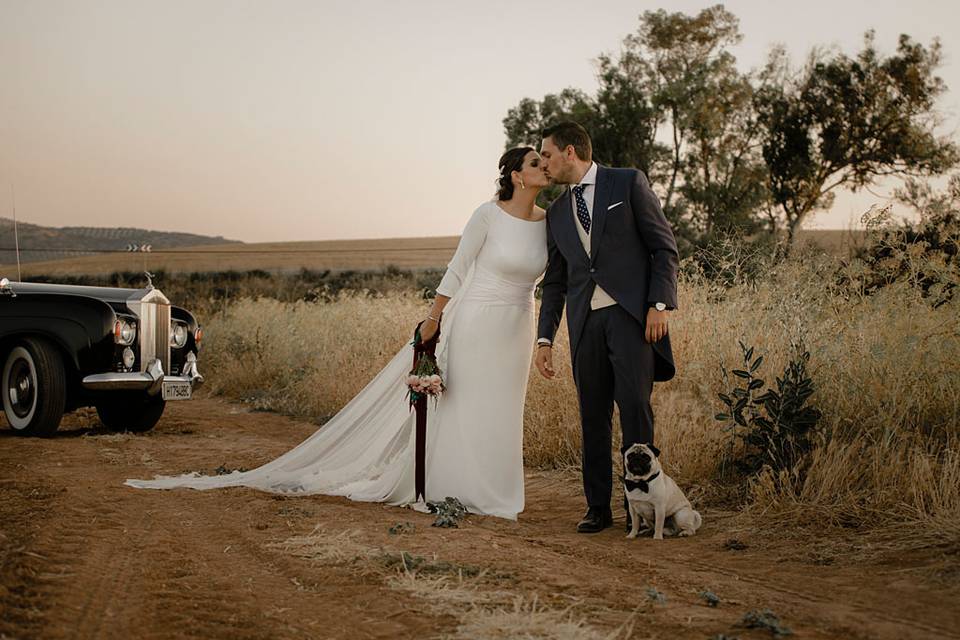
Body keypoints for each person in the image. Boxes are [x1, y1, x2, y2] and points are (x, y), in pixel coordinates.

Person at [126, 147, 549, 521]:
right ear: (515, 175)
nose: (543, 168)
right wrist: (434, 317)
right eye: (535, 163)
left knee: (504, 406)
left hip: (518, 324)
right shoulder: (487, 215)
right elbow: (458, 267)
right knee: (467, 404)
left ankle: (498, 492)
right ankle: (458, 487)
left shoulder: (549, 222)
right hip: (477, 319)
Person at [534, 121, 679, 534]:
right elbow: (556, 282)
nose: (544, 163)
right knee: (592, 418)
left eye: (546, 154)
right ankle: (598, 508)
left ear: (570, 152)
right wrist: (545, 337)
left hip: (632, 319)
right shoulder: (558, 212)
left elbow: (663, 247)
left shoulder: (627, 183)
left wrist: (658, 304)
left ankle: (648, 508)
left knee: (635, 410)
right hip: (585, 326)